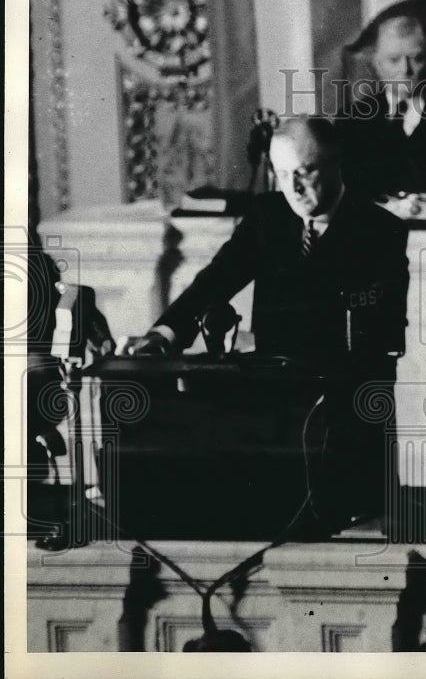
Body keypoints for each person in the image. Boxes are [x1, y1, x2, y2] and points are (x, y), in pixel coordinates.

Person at [129, 116, 410, 530]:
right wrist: (164, 334)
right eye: (281, 175)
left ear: (335, 163)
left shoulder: (380, 231)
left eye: (304, 173)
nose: (293, 189)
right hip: (275, 411)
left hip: (346, 415)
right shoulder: (268, 216)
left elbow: (379, 336)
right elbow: (215, 281)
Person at [339, 15, 426, 209]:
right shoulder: (351, 120)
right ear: (377, 64)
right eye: (394, 60)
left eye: (416, 58)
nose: (406, 70)